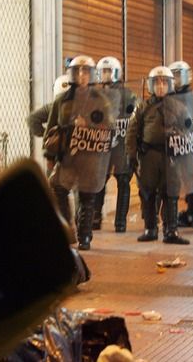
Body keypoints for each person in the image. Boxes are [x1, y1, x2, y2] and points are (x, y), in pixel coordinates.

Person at [45, 55, 115, 250]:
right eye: (78, 71)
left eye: (86, 72)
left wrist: (89, 125)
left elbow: (109, 127)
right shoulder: (62, 100)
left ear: (92, 75)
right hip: (67, 155)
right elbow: (51, 127)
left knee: (87, 196)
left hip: (90, 156)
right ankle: (67, 230)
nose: (82, 75)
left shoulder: (101, 100)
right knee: (59, 189)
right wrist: (50, 155)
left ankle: (85, 236)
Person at [126, 66, 190, 245]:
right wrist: (131, 155)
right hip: (149, 156)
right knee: (147, 193)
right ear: (151, 85)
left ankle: (171, 231)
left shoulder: (179, 107)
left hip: (171, 156)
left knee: (171, 193)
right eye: (157, 82)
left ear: (170, 85)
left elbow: (188, 130)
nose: (161, 86)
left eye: (164, 82)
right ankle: (150, 228)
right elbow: (131, 132)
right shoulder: (142, 107)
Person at [93, 57, 139, 232]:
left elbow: (136, 114)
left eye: (107, 71)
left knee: (123, 181)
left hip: (121, 143)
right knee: (99, 182)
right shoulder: (96, 95)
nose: (104, 75)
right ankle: (95, 218)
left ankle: (120, 221)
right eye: (102, 72)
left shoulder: (128, 94)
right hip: (103, 145)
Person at [169, 61, 193, 229]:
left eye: (179, 75)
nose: (176, 79)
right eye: (174, 75)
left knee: (191, 177)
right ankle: (172, 214)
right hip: (172, 144)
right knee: (172, 180)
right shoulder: (167, 95)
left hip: (188, 144)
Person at [27, 75, 70, 139]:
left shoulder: (52, 107)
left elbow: (31, 119)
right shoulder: (82, 107)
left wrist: (47, 135)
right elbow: (31, 119)